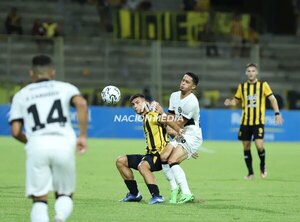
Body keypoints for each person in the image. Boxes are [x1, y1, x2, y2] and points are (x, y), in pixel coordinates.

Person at [9, 55, 88, 222]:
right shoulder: (65, 87)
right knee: (64, 193)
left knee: (39, 199)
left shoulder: (21, 95)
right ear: (52, 72)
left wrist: (31, 141)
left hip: (37, 145)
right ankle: (60, 217)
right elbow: (81, 104)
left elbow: (15, 131)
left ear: (31, 73)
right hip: (63, 144)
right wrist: (82, 135)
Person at [224, 63, 283, 180]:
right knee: (246, 146)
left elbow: (272, 99)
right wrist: (230, 102)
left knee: (259, 145)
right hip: (245, 122)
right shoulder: (242, 87)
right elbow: (236, 100)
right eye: (249, 71)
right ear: (246, 73)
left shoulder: (263, 85)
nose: (251, 73)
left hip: (258, 121)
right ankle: (250, 173)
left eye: (253, 71)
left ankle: (262, 165)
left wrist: (277, 113)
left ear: (256, 73)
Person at [154, 72, 203, 204]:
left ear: (193, 87)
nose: (183, 83)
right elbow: (170, 122)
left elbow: (176, 125)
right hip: (180, 134)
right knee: (163, 157)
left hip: (192, 136)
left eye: (187, 82)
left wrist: (161, 114)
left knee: (172, 160)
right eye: (183, 80)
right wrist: (166, 121)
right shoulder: (174, 96)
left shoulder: (192, 102)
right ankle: (175, 189)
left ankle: (187, 193)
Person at [116, 94, 168, 204]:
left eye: (138, 102)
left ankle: (157, 196)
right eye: (133, 104)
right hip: (149, 155)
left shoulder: (152, 115)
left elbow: (167, 121)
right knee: (121, 161)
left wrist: (162, 112)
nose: (135, 106)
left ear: (145, 103)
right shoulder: (145, 117)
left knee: (142, 166)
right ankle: (134, 194)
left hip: (159, 156)